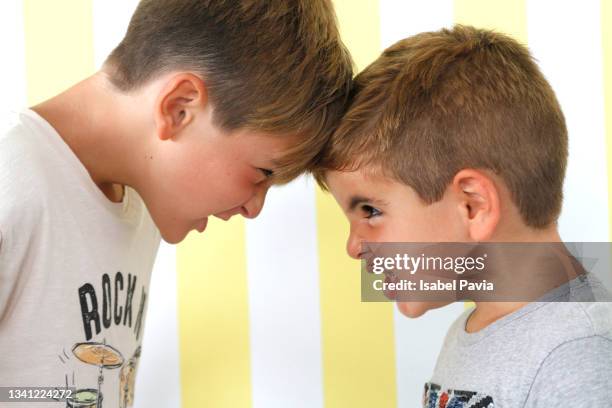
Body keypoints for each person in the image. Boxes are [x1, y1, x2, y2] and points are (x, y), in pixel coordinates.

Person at [0, 1, 352, 406]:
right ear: (180, 107)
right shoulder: (13, 182)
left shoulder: (141, 193)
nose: (253, 208)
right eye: (262, 173)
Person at [313, 25, 612, 407]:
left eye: (371, 210)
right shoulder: (471, 331)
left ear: (473, 205)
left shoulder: (579, 354)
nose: (354, 246)